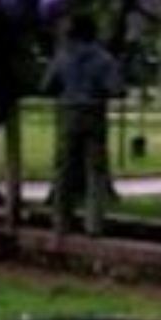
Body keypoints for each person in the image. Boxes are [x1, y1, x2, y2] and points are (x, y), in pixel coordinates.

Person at [42, 13, 125, 236]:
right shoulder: (104, 58)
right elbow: (117, 89)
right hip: (94, 113)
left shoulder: (63, 56)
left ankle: (60, 221)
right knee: (95, 170)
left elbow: (46, 85)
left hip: (69, 112)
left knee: (64, 169)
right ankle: (94, 224)